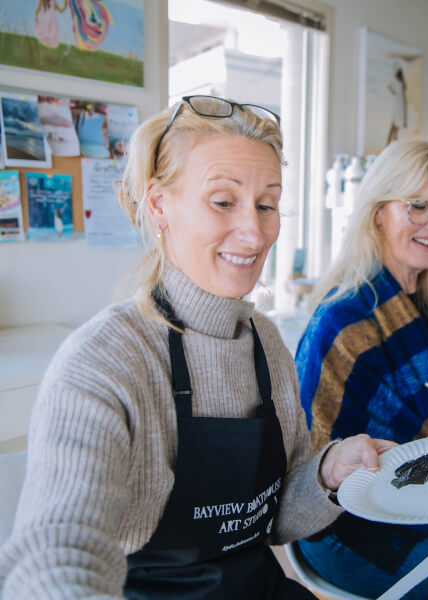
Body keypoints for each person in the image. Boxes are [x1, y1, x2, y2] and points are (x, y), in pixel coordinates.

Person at [0, 95, 394, 600]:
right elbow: (54, 551)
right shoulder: (105, 360)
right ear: (161, 205)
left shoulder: (267, 343)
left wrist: (328, 473)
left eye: (267, 204)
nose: (254, 232)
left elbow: (272, 522)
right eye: (223, 201)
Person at [295, 140, 428, 597]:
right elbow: (315, 475)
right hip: (357, 531)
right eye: (418, 206)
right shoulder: (341, 321)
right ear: (377, 214)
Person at [386, 66, 407, 145]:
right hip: (398, 108)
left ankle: (391, 143)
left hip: (399, 108)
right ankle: (390, 143)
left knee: (395, 128)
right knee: (394, 128)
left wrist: (390, 88)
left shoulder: (400, 85)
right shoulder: (400, 85)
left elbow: (395, 92)